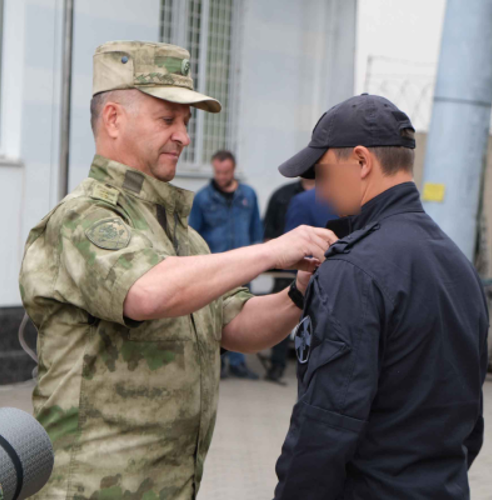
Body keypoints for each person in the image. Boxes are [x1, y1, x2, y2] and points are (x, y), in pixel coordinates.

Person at [19, 41, 337, 500]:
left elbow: (238, 326)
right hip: (91, 488)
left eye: (185, 123)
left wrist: (298, 293)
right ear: (113, 118)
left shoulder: (182, 237)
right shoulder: (83, 218)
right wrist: (271, 251)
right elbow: (145, 292)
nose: (184, 136)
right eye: (167, 119)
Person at [272, 94, 489, 499]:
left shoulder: (352, 270)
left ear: (360, 161)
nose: (319, 193)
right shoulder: (459, 266)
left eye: (321, 173)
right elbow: (469, 420)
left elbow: (325, 423)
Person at [189, 150, 262, 379]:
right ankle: (215, 364)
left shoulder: (248, 195)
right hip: (215, 267)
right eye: (218, 172)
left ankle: (239, 363)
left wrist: (258, 259)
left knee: (242, 313)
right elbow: (193, 234)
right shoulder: (202, 198)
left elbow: (256, 230)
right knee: (214, 315)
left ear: (234, 169)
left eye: (226, 172)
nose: (221, 176)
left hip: (244, 265)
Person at [263, 186, 336, 384]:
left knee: (298, 322)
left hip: (306, 273)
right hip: (301, 275)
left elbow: (291, 244)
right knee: (295, 321)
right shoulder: (286, 196)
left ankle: (285, 367)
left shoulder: (302, 200)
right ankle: (279, 365)